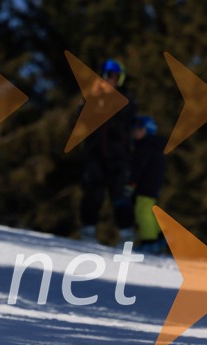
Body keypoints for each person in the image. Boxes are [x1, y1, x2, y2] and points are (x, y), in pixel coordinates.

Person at [79, 58, 137, 244]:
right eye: (105, 76)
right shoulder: (91, 98)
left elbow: (126, 121)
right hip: (95, 154)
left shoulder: (126, 100)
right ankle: (88, 231)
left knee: (120, 195)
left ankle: (126, 236)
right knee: (93, 193)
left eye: (113, 77)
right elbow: (80, 122)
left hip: (119, 156)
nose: (109, 80)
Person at [129, 116, 167, 253]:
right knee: (148, 210)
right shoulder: (154, 146)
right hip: (152, 184)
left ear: (148, 130)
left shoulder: (146, 146)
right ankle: (158, 238)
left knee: (142, 211)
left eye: (139, 129)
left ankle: (149, 241)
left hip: (146, 185)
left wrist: (132, 183)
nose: (135, 132)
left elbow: (138, 167)